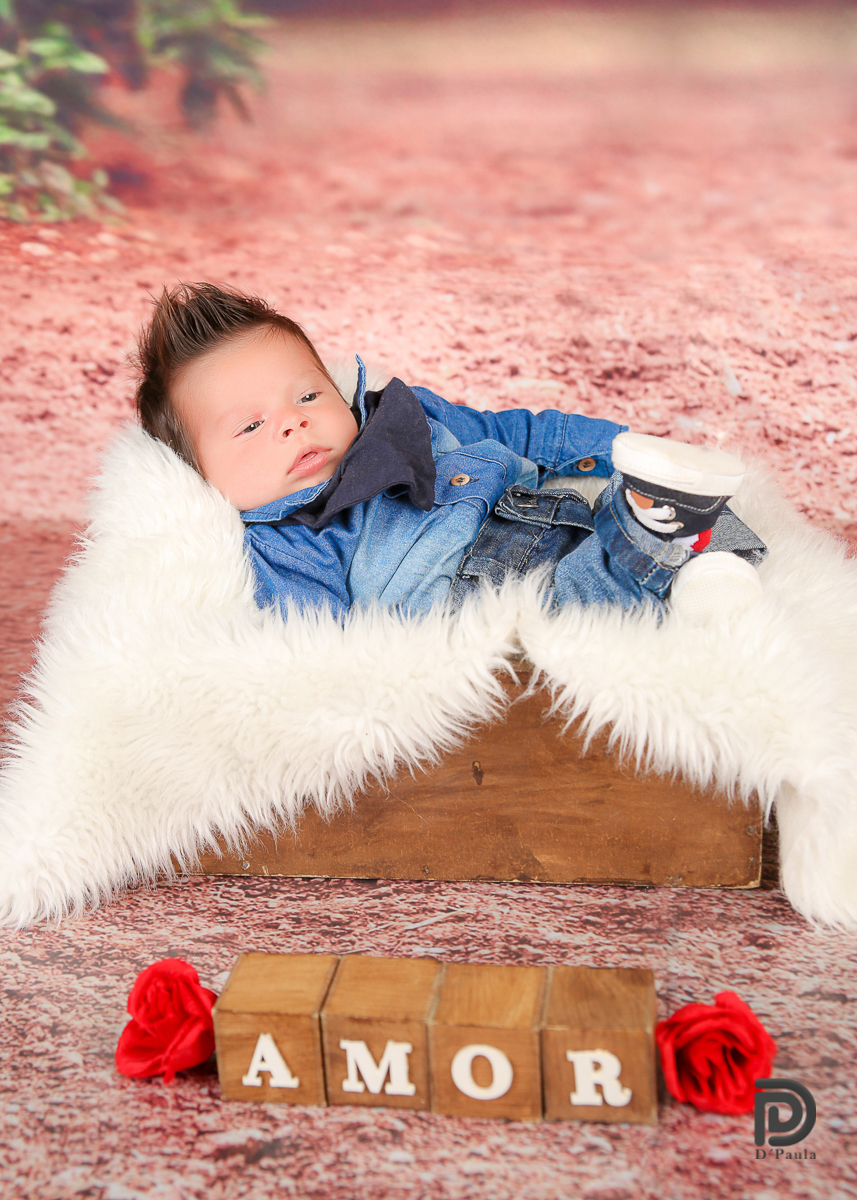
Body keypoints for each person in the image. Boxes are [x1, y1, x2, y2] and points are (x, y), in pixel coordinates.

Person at [134, 283, 766, 622]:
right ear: (199, 476)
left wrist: (618, 447)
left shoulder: (398, 418)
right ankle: (660, 547)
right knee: (576, 601)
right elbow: (311, 646)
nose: (294, 425)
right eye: (249, 428)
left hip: (547, 518)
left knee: (656, 507)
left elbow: (517, 432)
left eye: (306, 395)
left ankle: (706, 564)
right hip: (470, 598)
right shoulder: (287, 538)